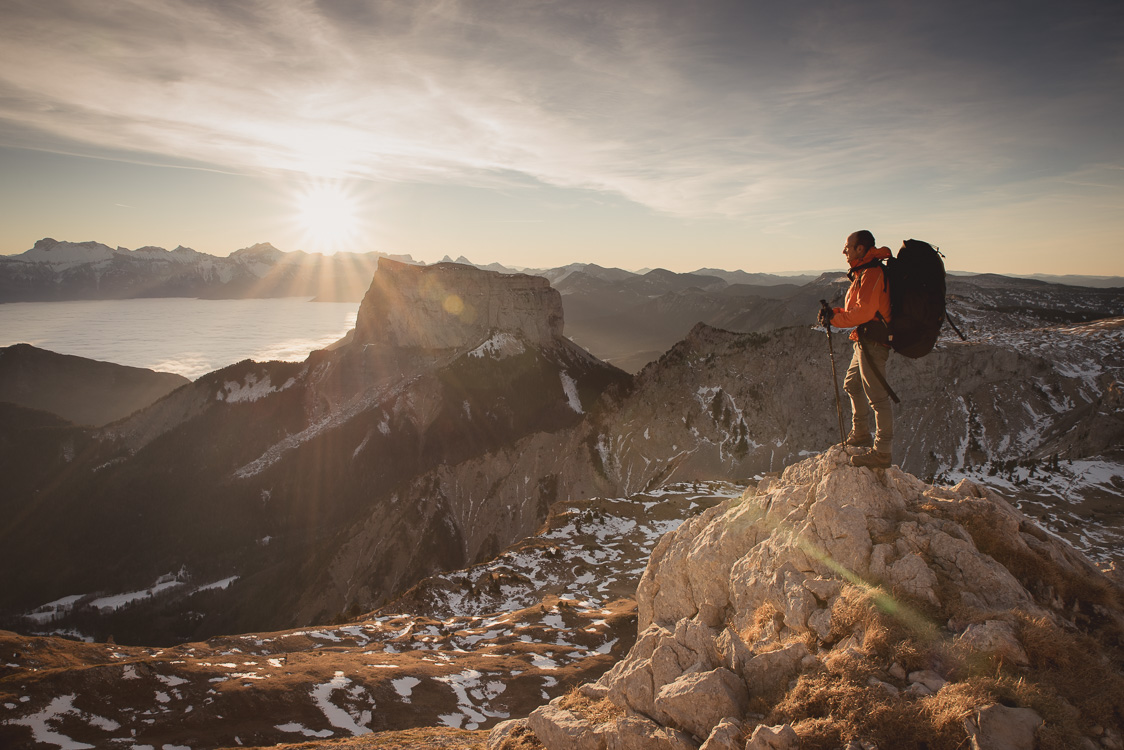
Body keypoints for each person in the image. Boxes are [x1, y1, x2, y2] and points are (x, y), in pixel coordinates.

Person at [818, 230, 894, 468]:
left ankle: (882, 452)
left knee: (878, 399)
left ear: (860, 248)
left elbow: (864, 312)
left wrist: (834, 320)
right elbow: (860, 309)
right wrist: (835, 314)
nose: (844, 251)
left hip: (873, 342)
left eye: (847, 246)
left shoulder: (871, 273)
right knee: (851, 384)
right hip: (865, 339)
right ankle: (861, 433)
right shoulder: (864, 272)